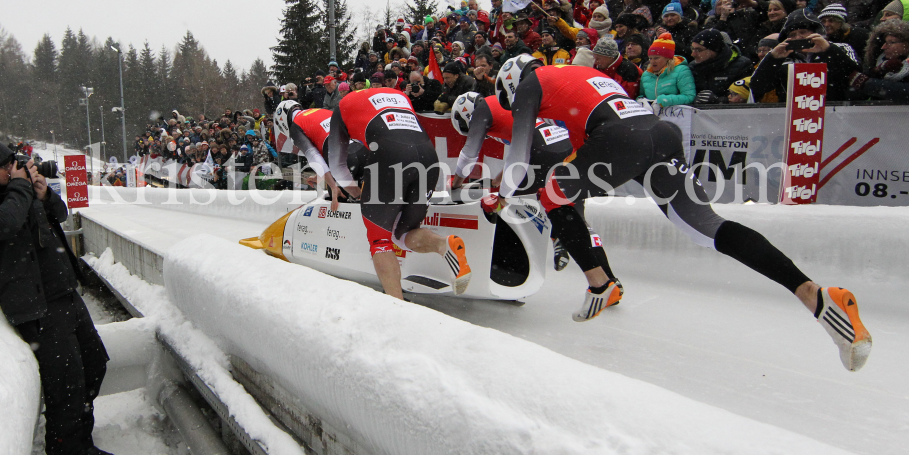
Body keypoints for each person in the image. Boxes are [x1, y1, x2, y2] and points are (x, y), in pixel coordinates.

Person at [491, 55, 872, 372]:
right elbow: (585, 151)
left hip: (622, 139)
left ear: (512, 82)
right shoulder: (582, 74)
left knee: (551, 193)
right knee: (708, 227)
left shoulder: (531, 82)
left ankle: (600, 283)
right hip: (661, 133)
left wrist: (500, 196)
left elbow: (520, 152)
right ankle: (815, 294)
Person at [0, 137, 113, 455]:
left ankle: (83, 441)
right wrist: (22, 189)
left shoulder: (22, 196)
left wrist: (42, 194)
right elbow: (6, 223)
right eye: (7, 165)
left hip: (65, 297)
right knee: (65, 392)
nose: (15, 169)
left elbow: (59, 215)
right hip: (37, 310)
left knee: (95, 365)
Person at [327, 87, 471, 299]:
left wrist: (356, 193)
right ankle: (443, 244)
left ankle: (397, 307)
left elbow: (337, 165)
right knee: (403, 234)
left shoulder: (342, 105)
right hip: (428, 157)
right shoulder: (399, 94)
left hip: (390, 156)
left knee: (380, 241)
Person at [450, 92, 594, 273]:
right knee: (560, 200)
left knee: (501, 203)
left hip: (542, 150)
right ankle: (564, 236)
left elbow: (468, 155)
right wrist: (500, 177)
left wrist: (456, 185)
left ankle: (506, 263)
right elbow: (519, 151)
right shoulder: (502, 103)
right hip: (565, 145)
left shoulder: (483, 110)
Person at [750, 9, 861, 103]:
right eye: (793, 35)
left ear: (816, 32)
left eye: (803, 32)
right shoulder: (783, 58)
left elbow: (856, 75)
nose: (798, 37)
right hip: (794, 116)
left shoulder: (841, 47)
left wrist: (828, 50)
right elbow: (758, 87)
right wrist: (772, 58)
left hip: (834, 111)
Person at [848, 20, 909, 102]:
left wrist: (867, 84)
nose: (884, 47)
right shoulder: (879, 63)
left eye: (891, 42)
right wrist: (875, 72)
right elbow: (853, 95)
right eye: (884, 42)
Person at [687, 29, 755, 103]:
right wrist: (693, 99)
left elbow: (745, 98)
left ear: (714, 50)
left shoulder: (742, 65)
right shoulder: (693, 67)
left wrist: (718, 100)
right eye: (692, 49)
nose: (693, 54)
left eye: (698, 50)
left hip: (730, 113)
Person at [638, 33, 696, 108]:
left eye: (656, 58)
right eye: (650, 58)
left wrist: (665, 100)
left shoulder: (681, 70)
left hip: (675, 116)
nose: (652, 61)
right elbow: (642, 95)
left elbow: (689, 96)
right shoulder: (646, 75)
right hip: (652, 117)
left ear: (668, 58)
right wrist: (641, 101)